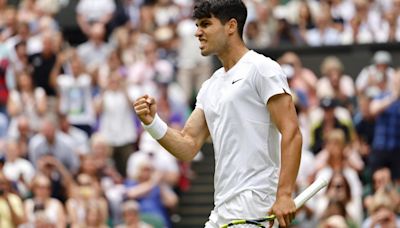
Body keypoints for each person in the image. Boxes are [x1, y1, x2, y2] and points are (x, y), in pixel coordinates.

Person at [133, 1, 303, 227]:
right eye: (197, 25)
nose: (197, 32)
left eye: (205, 24)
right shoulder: (210, 86)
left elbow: (291, 132)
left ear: (231, 26)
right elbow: (188, 145)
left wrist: (284, 194)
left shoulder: (262, 69)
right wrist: (152, 123)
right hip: (222, 208)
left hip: (255, 204)